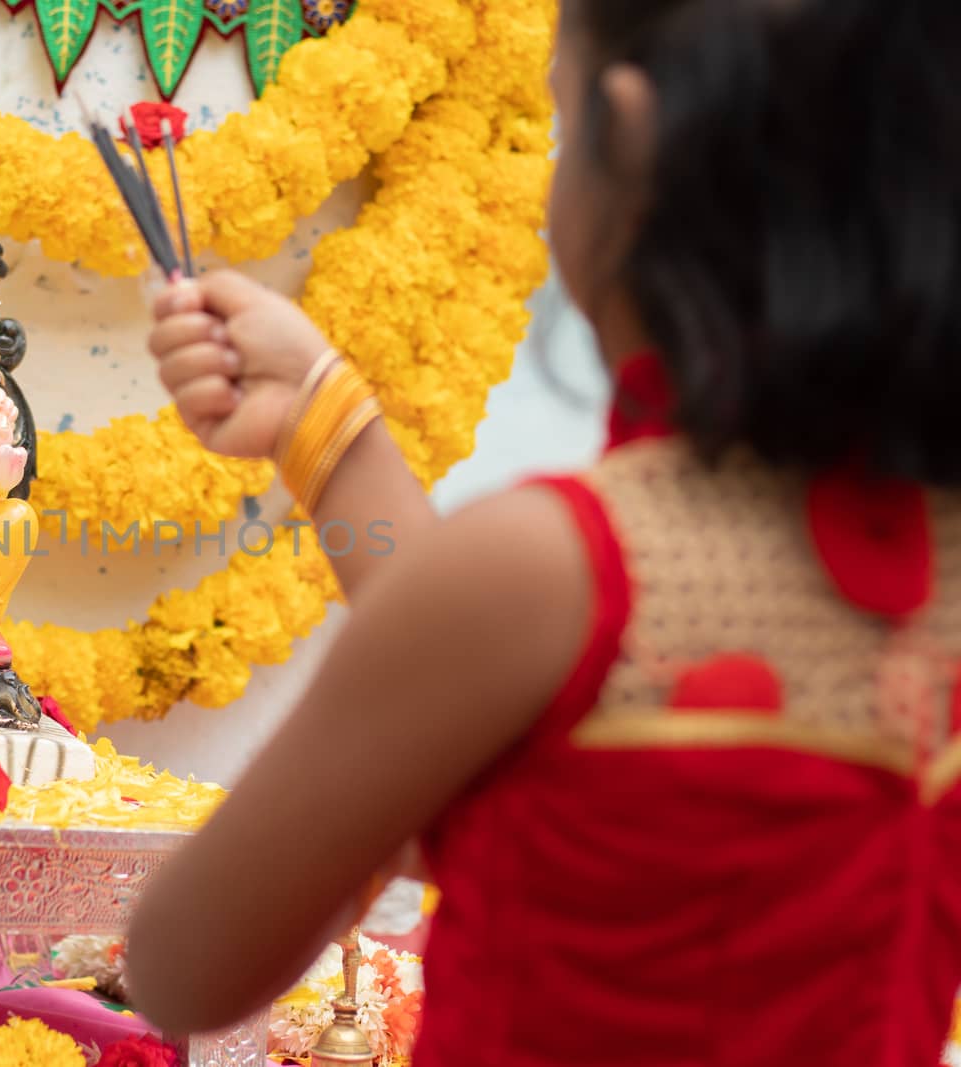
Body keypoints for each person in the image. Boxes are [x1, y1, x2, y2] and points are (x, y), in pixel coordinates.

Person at [126, 0, 961, 1063]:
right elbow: (522, 669)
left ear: (634, 134)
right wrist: (318, 421)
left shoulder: (551, 562)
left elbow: (181, 965)